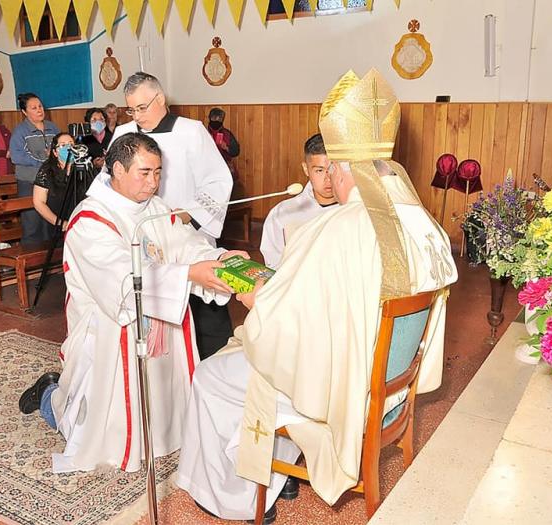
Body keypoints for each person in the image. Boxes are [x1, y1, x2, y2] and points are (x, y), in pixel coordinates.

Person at [176, 69, 458, 522]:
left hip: (346, 387)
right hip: (389, 381)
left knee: (213, 376)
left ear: (345, 169)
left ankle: (234, 497)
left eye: (336, 171)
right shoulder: (423, 224)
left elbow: (283, 331)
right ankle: (282, 476)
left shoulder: (335, 229)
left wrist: (253, 297)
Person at [18, 132, 247, 474]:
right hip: (111, 329)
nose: (154, 182)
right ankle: (50, 395)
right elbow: (122, 281)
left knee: (164, 396)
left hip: (161, 322)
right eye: (145, 172)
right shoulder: (91, 219)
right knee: (92, 428)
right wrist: (188, 274)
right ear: (117, 170)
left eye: (158, 172)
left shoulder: (154, 207)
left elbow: (184, 245)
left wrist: (218, 258)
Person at [110, 72, 234, 360]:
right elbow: (110, 182)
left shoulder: (191, 131)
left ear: (161, 99)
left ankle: (210, 363)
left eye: (142, 107)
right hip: (143, 234)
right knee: (154, 302)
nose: (137, 116)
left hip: (184, 232)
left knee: (202, 298)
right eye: (131, 109)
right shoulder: (123, 134)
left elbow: (217, 180)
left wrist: (190, 214)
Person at [259, 133, 338, 269]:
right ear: (306, 169)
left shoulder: (358, 211)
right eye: (319, 170)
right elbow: (274, 266)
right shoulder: (282, 213)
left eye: (332, 169)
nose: (328, 179)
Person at [10, 93, 60, 243]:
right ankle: (30, 260)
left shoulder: (52, 127)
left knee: (50, 222)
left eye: (40, 106)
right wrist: (43, 159)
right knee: (32, 223)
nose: (39, 110)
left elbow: (61, 147)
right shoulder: (21, 131)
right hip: (29, 182)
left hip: (50, 181)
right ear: (25, 112)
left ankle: (49, 259)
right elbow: (17, 156)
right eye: (34, 108)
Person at [32, 132, 76, 239]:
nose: (68, 148)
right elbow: (38, 202)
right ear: (55, 152)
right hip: (55, 224)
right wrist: (60, 223)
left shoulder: (82, 167)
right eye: (63, 145)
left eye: (71, 144)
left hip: (80, 223)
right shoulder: (47, 170)